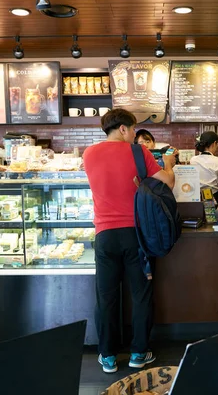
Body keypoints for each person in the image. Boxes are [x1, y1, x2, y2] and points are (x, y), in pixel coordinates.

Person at [83, 109, 176, 374]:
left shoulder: (89, 154)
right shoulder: (139, 153)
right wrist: (169, 163)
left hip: (104, 236)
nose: (135, 134)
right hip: (136, 235)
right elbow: (166, 183)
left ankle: (108, 356)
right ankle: (138, 353)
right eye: (134, 129)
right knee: (141, 294)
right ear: (123, 129)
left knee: (106, 297)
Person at [190, 131, 218, 203]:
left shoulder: (193, 160)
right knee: (212, 214)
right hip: (214, 197)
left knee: (199, 214)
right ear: (214, 144)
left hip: (197, 197)